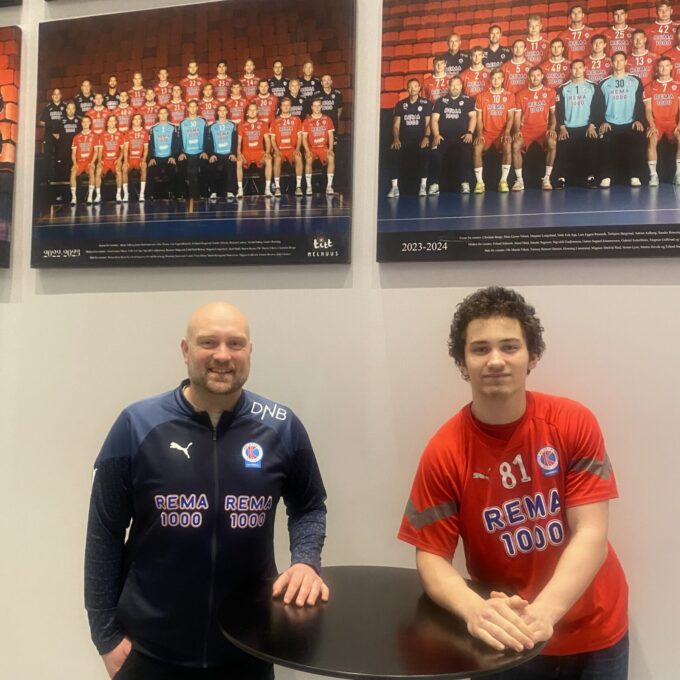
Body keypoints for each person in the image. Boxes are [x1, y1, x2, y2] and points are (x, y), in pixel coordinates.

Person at [84, 302, 328, 680]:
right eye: (208, 342)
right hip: (149, 653)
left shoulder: (282, 426)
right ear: (186, 350)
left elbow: (310, 504)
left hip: (249, 649)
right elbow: (104, 533)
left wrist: (306, 560)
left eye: (235, 343)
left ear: (249, 351)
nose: (222, 355)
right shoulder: (136, 425)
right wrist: (105, 636)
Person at [398, 286, 629, 680]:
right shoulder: (444, 451)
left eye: (509, 347)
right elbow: (431, 556)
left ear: (531, 355)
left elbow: (591, 531)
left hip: (595, 631)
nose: (495, 361)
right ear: (463, 362)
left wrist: (544, 613)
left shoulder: (573, 422)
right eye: (480, 349)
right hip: (505, 641)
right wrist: (474, 609)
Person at [593, 51, 645, 187]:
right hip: (610, 122)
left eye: (621, 60)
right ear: (611, 63)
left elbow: (640, 102)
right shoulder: (603, 83)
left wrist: (639, 119)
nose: (618, 63)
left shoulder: (635, 80)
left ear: (626, 62)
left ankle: (635, 176)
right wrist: (603, 122)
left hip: (630, 122)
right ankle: (606, 176)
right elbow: (598, 106)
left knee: (638, 138)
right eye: (615, 60)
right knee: (605, 142)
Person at [511, 66, 557, 191]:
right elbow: (517, 116)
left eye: (537, 75)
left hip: (543, 130)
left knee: (552, 142)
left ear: (542, 76)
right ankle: (519, 180)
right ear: (528, 77)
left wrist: (552, 128)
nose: (535, 78)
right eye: (532, 76)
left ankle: (547, 178)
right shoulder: (521, 94)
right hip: (526, 130)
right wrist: (517, 130)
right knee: (515, 145)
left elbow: (553, 114)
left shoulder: (550, 92)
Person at [427, 75, 475, 195]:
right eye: (452, 85)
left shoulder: (468, 100)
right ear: (448, 86)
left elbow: (473, 117)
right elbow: (434, 119)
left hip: (462, 136)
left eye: (457, 85)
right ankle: (434, 184)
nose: (455, 87)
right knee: (435, 153)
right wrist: (436, 134)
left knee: (466, 153)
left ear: (461, 86)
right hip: (443, 136)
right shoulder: (440, 101)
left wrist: (470, 132)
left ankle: (465, 183)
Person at [555, 59, 598, 188]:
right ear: (570, 70)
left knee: (592, 145)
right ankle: (561, 178)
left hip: (587, 126)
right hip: (568, 127)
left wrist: (592, 125)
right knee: (562, 147)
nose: (577, 70)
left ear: (585, 68)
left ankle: (591, 177)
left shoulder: (593, 86)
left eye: (580, 67)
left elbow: (597, 107)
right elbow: (559, 110)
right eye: (574, 68)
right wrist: (562, 127)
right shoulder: (563, 88)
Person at [386, 78, 431, 198]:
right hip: (404, 140)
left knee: (425, 152)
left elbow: (428, 124)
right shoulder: (401, 104)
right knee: (393, 152)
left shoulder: (426, 104)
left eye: (415, 86)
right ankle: (394, 187)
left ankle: (423, 186)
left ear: (419, 88)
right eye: (410, 87)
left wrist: (426, 137)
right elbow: (396, 125)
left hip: (420, 139)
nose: (413, 89)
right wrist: (396, 139)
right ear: (407, 89)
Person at [473, 68, 515, 193]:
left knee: (507, 145)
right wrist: (479, 134)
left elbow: (511, 117)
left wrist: (507, 132)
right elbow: (479, 119)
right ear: (490, 80)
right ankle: (480, 183)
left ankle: (503, 181)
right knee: (477, 148)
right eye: (493, 78)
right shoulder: (481, 96)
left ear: (503, 80)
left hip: (501, 133)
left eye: (498, 78)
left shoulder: (510, 96)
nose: (496, 81)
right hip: (487, 133)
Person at [643, 55, 680, 185]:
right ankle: (653, 176)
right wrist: (652, 125)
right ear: (657, 68)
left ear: (671, 67)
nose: (664, 69)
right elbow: (648, 110)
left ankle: (678, 175)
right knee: (652, 138)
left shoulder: (678, 85)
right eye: (661, 66)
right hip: (657, 122)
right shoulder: (649, 86)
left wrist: (679, 124)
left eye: (666, 66)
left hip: (673, 122)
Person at [269, 96, 304, 196]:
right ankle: (277, 187)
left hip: (292, 149)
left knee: (298, 157)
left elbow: (299, 137)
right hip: (280, 149)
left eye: (288, 105)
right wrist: (276, 150)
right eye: (284, 105)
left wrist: (297, 149)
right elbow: (272, 139)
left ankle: (298, 187)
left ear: (290, 107)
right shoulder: (275, 121)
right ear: (280, 107)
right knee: (277, 159)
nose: (286, 107)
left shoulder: (296, 119)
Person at [237, 101, 272, 198]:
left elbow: (267, 140)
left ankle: (267, 188)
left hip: (259, 152)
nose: (252, 112)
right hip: (246, 153)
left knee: (268, 159)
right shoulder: (241, 125)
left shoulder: (263, 124)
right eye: (250, 110)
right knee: (238, 161)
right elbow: (239, 142)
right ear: (247, 112)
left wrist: (267, 152)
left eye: (254, 110)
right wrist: (239, 153)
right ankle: (240, 189)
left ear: (257, 111)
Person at [302, 97, 336, 195]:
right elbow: (304, 138)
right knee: (308, 159)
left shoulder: (327, 119)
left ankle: (329, 186)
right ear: (312, 107)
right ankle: (309, 187)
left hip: (323, 147)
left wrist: (330, 149)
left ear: (321, 106)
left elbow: (330, 136)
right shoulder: (307, 121)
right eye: (315, 106)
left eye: (318, 106)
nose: (317, 108)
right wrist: (307, 150)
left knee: (331, 157)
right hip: (312, 148)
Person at [147, 106, 181, 199]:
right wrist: (151, 158)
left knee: (174, 169)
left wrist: (173, 156)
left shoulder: (174, 127)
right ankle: (150, 195)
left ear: (167, 114)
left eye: (164, 113)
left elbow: (176, 144)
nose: (162, 115)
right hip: (156, 157)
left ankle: (173, 193)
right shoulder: (153, 129)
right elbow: (151, 145)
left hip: (169, 156)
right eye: (161, 113)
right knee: (150, 170)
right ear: (158, 115)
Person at [179, 100, 209, 200]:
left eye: (194, 107)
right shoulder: (183, 123)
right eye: (190, 107)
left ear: (197, 108)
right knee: (186, 170)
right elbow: (179, 139)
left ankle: (203, 193)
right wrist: (181, 153)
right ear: (188, 109)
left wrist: (205, 151)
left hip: (200, 152)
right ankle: (188, 194)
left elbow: (207, 137)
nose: (192, 109)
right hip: (187, 153)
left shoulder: (203, 121)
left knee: (204, 169)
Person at [206, 104, 238, 199]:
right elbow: (209, 142)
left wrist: (233, 153)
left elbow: (235, 140)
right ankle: (213, 191)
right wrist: (211, 154)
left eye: (224, 110)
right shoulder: (212, 126)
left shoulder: (232, 125)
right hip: (216, 154)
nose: (222, 112)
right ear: (218, 113)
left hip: (228, 153)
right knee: (211, 166)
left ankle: (230, 191)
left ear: (227, 112)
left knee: (231, 165)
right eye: (220, 110)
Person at [95, 114, 125, 203]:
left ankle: (118, 195)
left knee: (118, 171)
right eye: (110, 121)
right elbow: (100, 150)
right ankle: (98, 195)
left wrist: (119, 159)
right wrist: (100, 160)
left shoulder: (120, 134)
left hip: (115, 160)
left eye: (113, 121)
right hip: (105, 160)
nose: (111, 123)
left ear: (116, 122)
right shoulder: (102, 135)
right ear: (107, 123)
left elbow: (123, 150)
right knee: (98, 171)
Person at [70, 114, 99, 205]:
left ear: (90, 123)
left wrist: (92, 162)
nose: (85, 123)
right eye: (84, 122)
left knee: (91, 171)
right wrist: (74, 163)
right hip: (79, 162)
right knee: (73, 172)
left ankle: (90, 197)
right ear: (81, 123)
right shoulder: (76, 137)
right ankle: (74, 198)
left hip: (89, 162)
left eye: (87, 122)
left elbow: (96, 152)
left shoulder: (94, 136)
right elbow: (73, 153)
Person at [123, 113, 149, 201]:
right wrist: (125, 161)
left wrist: (144, 160)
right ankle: (126, 194)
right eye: (135, 119)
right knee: (124, 168)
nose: (137, 121)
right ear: (132, 121)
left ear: (141, 120)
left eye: (139, 119)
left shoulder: (145, 133)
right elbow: (125, 149)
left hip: (139, 158)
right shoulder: (128, 133)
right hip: (130, 158)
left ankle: (142, 194)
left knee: (144, 167)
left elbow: (146, 149)